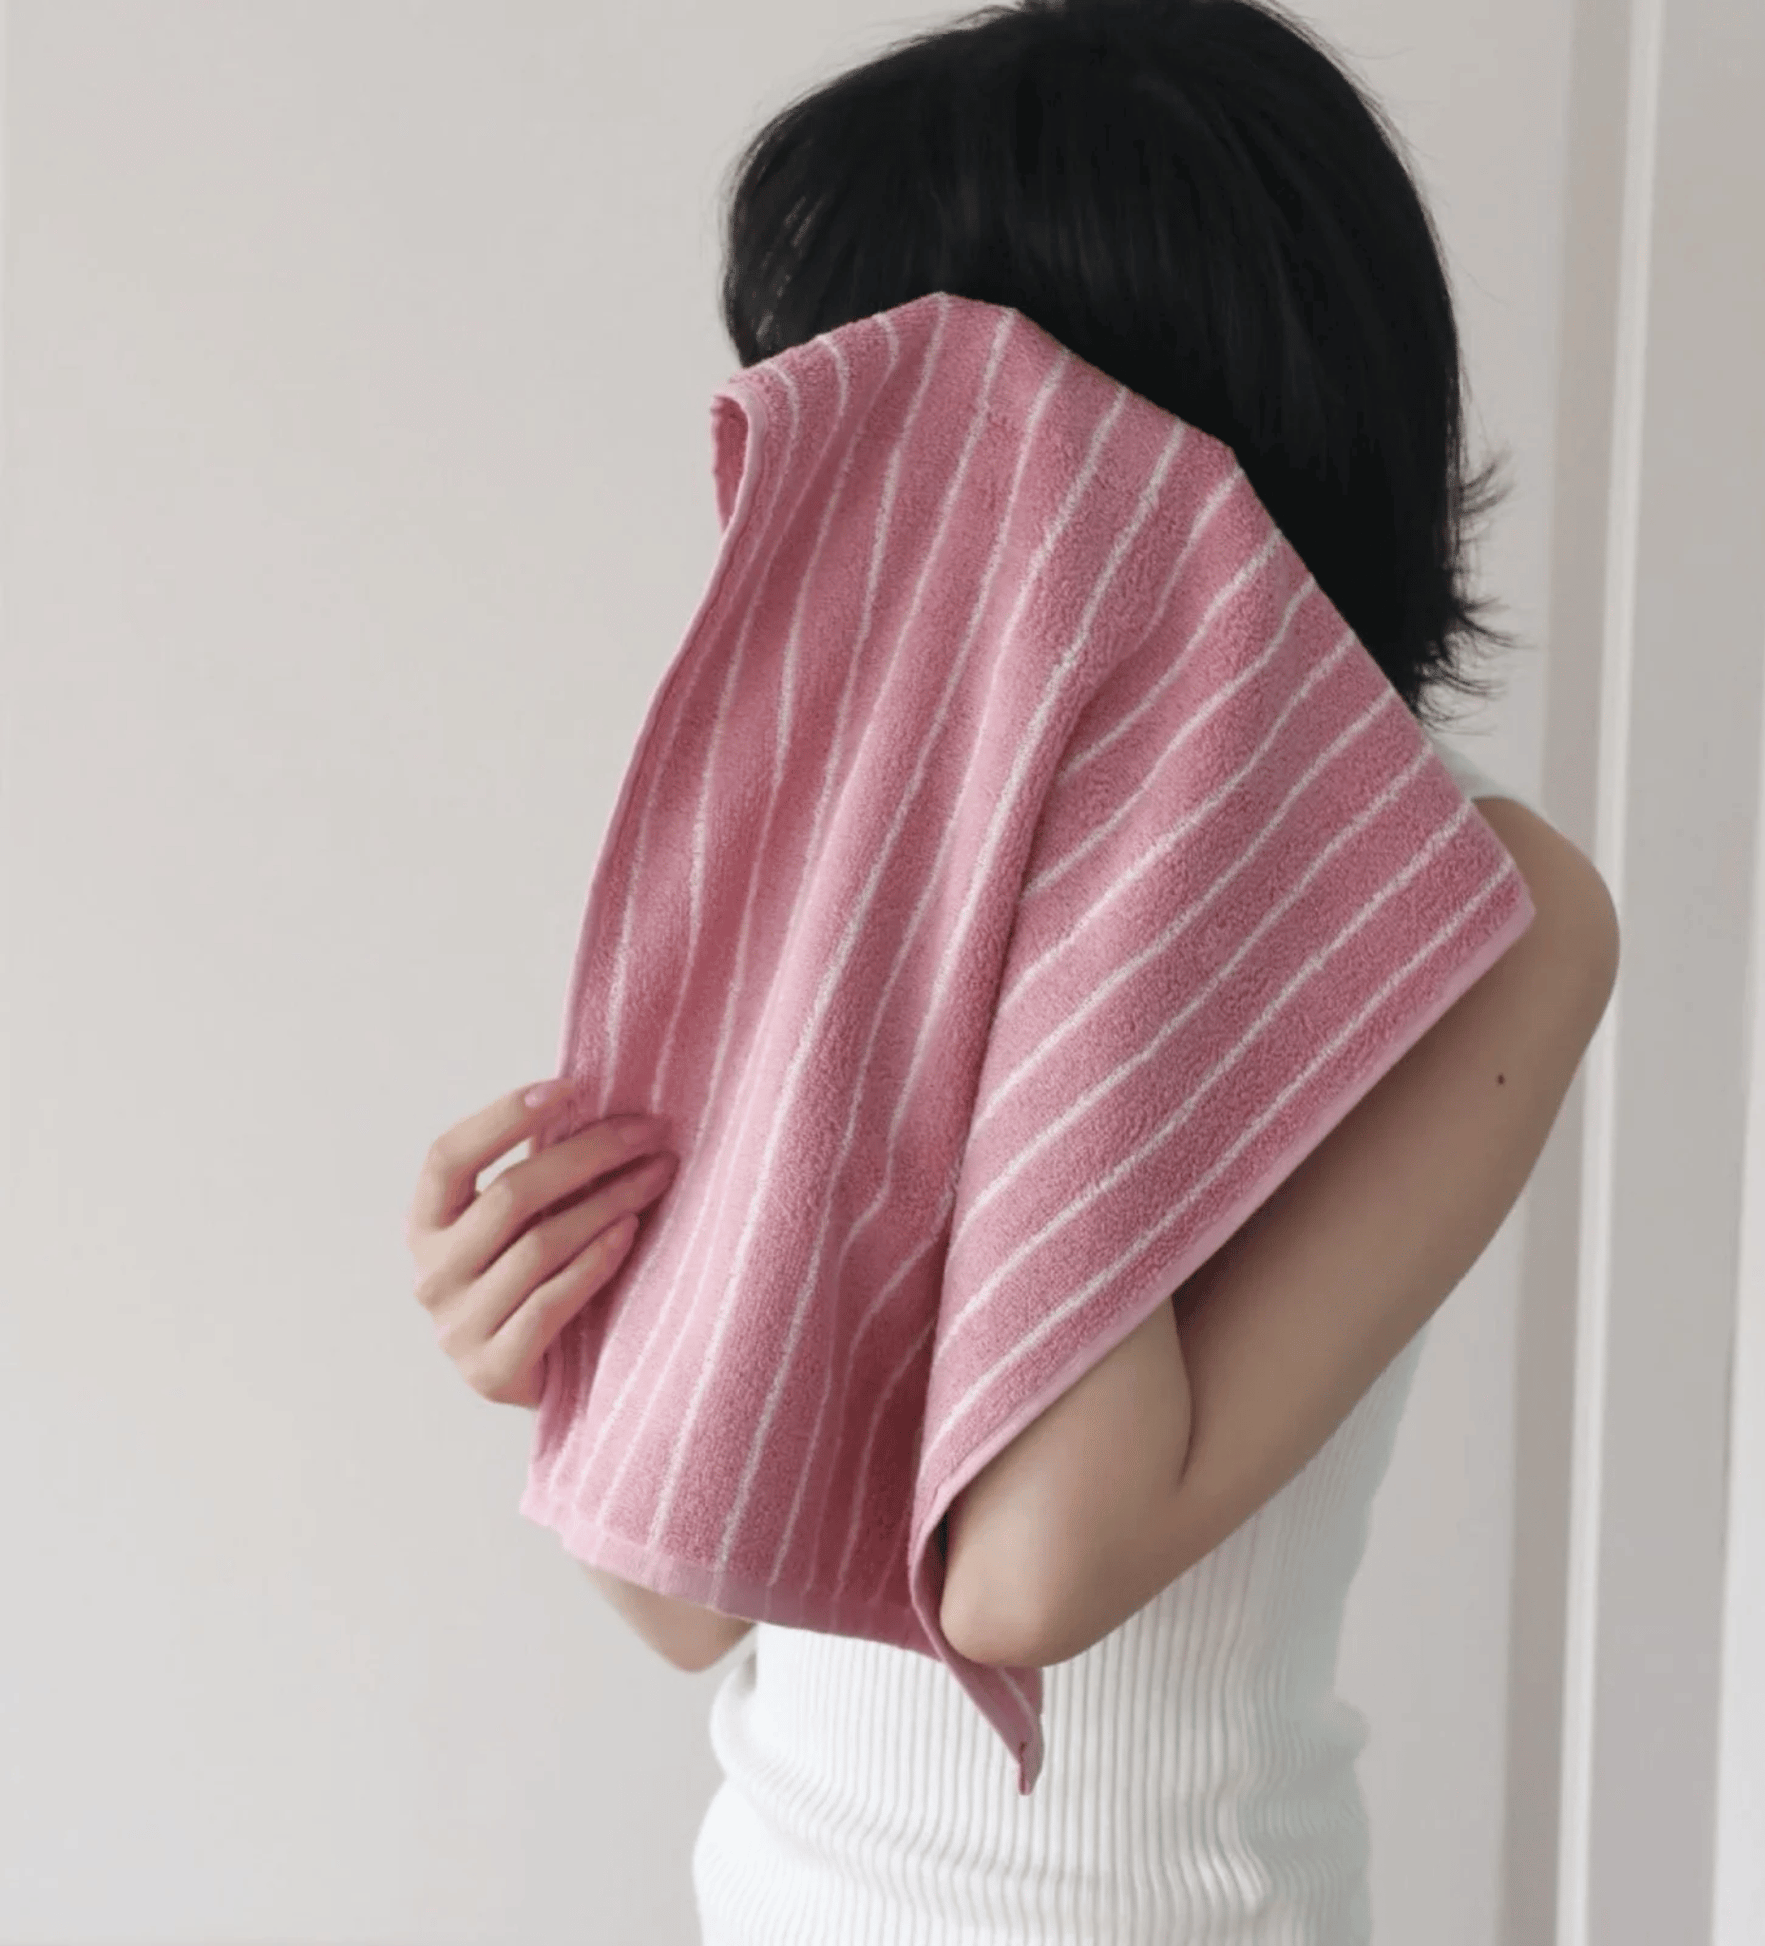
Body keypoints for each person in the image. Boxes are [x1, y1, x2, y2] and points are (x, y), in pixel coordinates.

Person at [404, 2, 1621, 1937]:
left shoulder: (1483, 903)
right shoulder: (839, 855)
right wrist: (543, 1344)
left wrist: (1070, 816)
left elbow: (1025, 1577)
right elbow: (696, 1593)